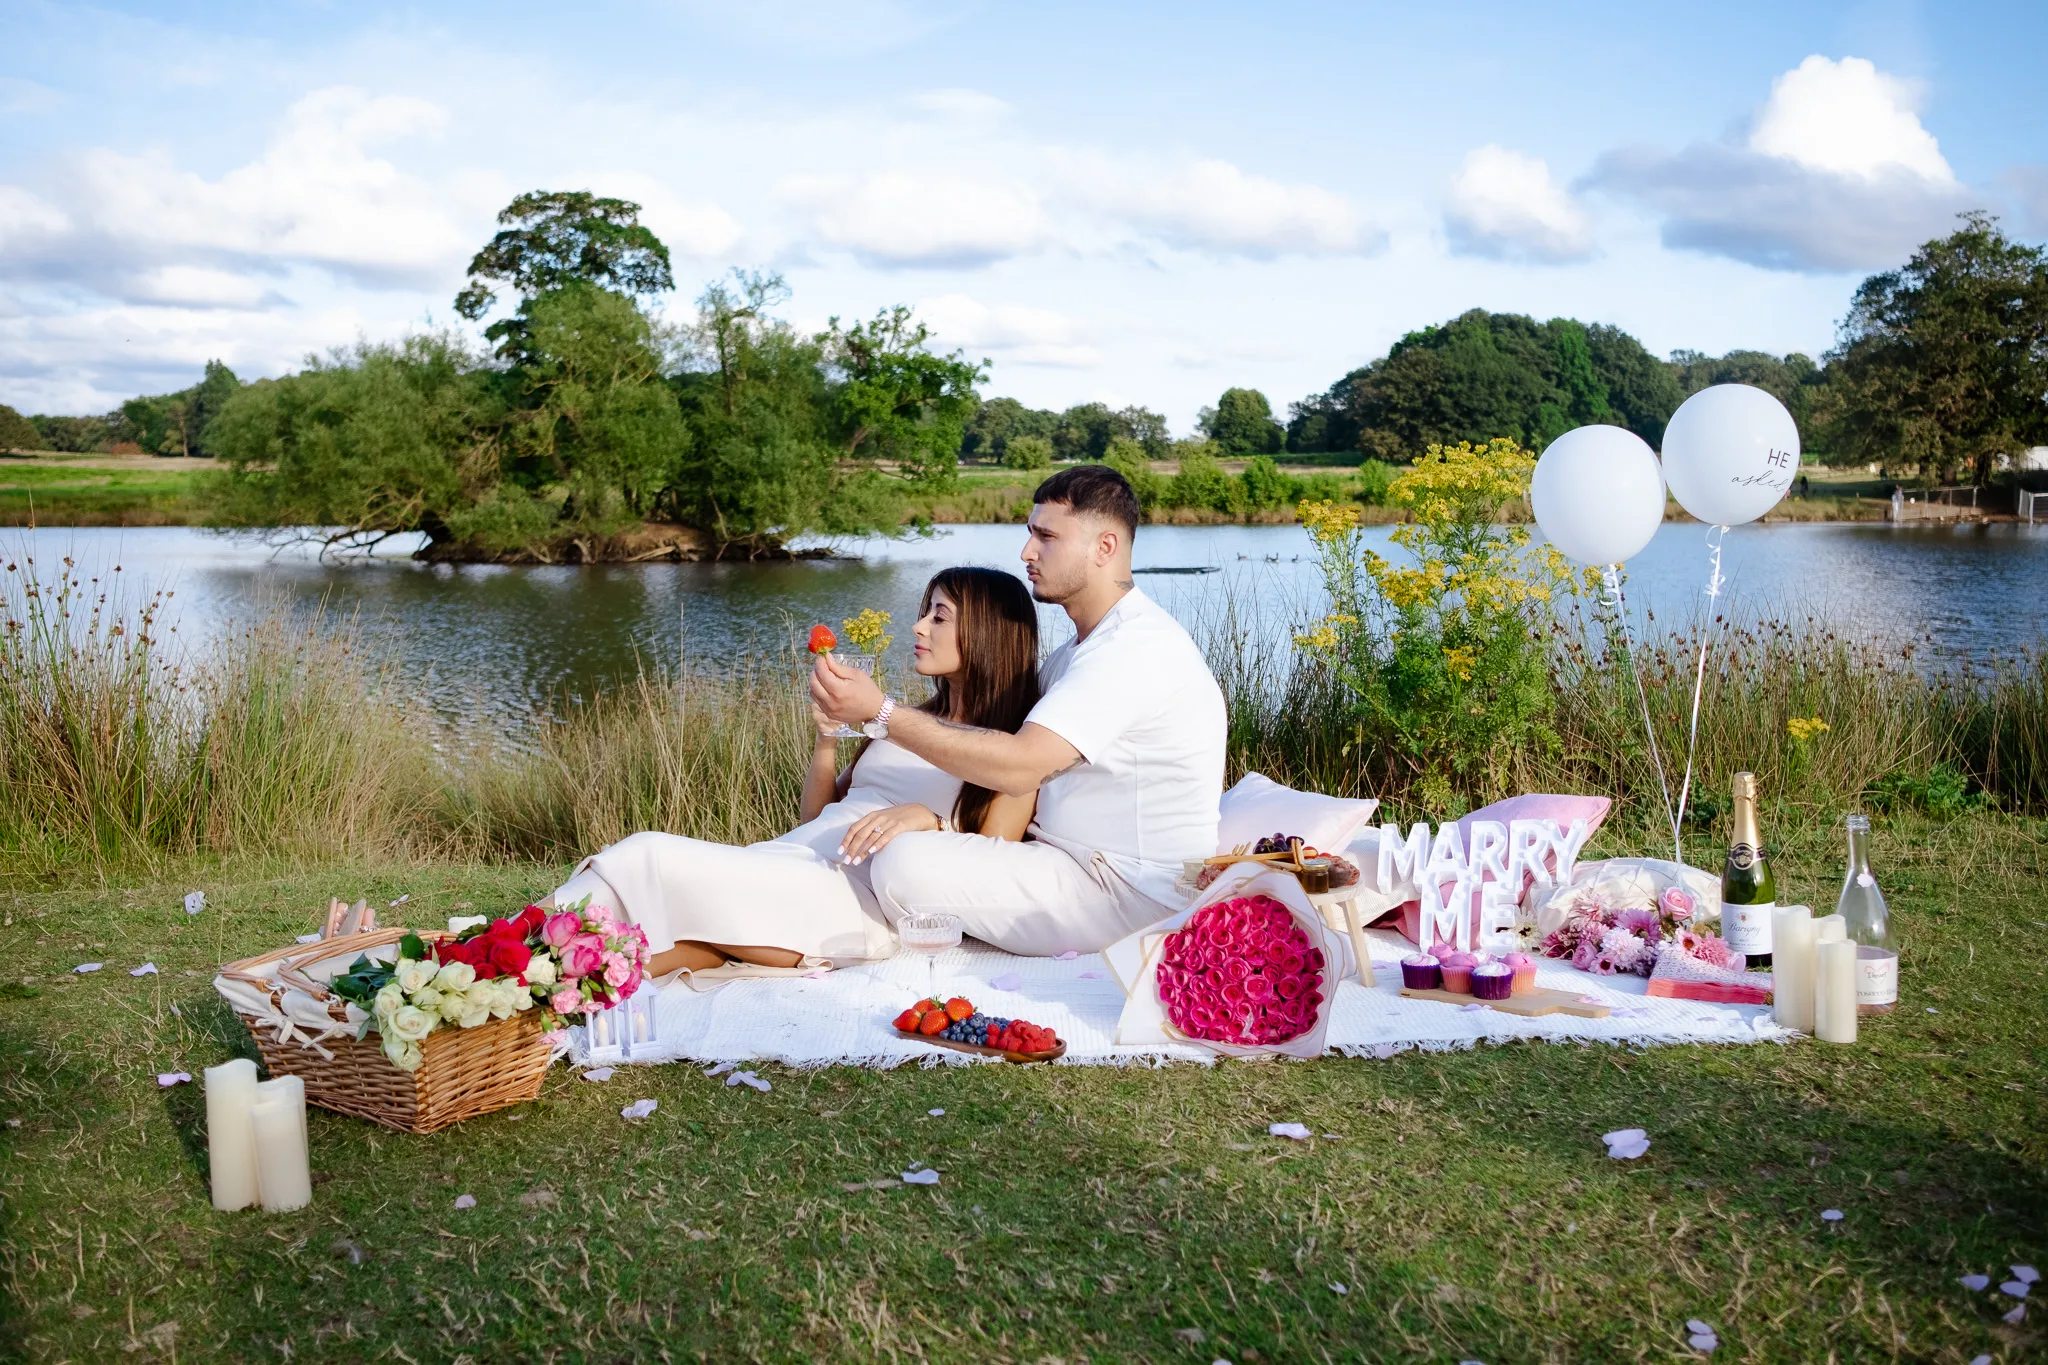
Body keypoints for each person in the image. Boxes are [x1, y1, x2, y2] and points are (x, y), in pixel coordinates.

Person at [540, 567, 1042, 976]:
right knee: (646, 946)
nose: (918, 627)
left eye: (940, 617)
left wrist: (928, 821)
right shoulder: (907, 722)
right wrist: (827, 738)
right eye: (923, 613)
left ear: (986, 632)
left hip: (851, 900)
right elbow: (819, 815)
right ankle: (522, 978)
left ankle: (504, 953)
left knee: (645, 853)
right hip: (791, 859)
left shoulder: (1012, 749)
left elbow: (995, 861)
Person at [812, 464, 1226, 955]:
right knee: (899, 857)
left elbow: (1021, 765)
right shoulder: (1074, 654)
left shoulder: (1134, 649)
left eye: (1046, 536)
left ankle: (845, 928)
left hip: (1128, 894)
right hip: (1061, 868)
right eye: (1030, 534)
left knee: (905, 864)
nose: (1027, 552)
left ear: (1105, 548)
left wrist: (880, 713)